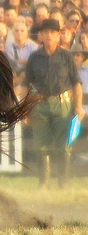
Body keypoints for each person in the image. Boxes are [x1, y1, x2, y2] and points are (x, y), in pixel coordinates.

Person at [25, 19, 86, 188]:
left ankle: (63, 182)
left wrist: (78, 106)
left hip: (63, 104)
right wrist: (24, 109)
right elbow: (26, 85)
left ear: (58, 35)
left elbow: (76, 83)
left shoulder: (66, 56)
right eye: (46, 32)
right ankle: (43, 183)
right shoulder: (34, 57)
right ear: (41, 35)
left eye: (53, 32)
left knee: (64, 146)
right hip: (40, 104)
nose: (49, 35)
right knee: (41, 146)